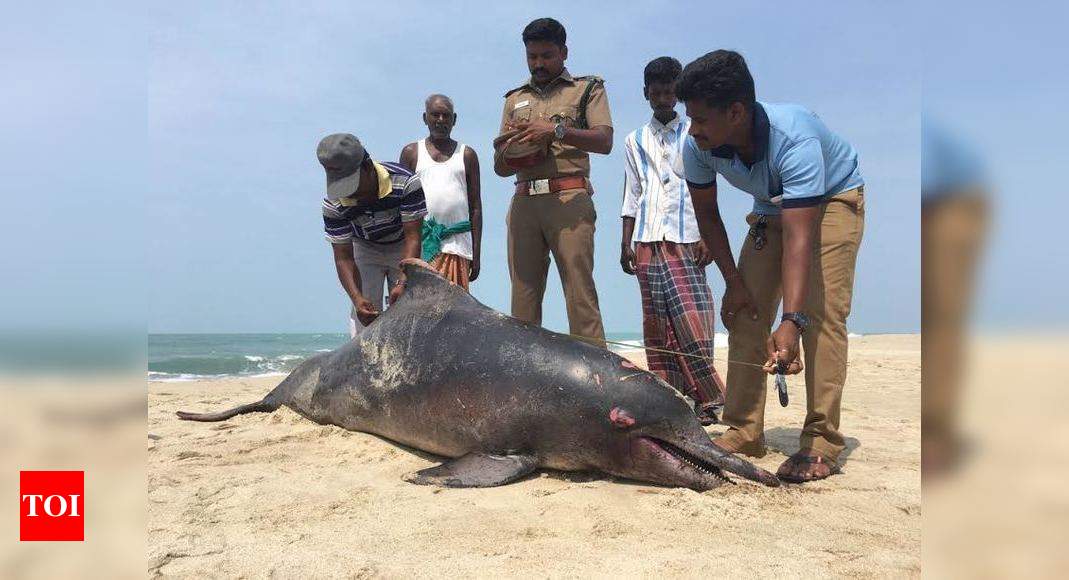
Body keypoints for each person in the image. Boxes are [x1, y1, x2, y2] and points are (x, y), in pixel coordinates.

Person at [676, 50, 866, 483]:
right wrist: (734, 283)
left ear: (737, 112)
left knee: (821, 315)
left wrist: (793, 321)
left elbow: (800, 237)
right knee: (745, 308)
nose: (693, 129)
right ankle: (743, 429)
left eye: (702, 119)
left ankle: (821, 441)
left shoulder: (795, 139)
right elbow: (708, 215)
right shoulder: (697, 146)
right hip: (771, 205)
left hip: (833, 198)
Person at [493, 17, 613, 346]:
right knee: (522, 300)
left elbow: (604, 141)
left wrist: (556, 130)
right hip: (523, 204)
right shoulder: (513, 98)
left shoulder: (587, 88)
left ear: (563, 52)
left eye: (546, 55)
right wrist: (518, 150)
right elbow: (499, 167)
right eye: (532, 57)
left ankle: (596, 383)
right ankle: (523, 381)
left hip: (569, 202)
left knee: (579, 296)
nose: (538, 64)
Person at [620, 57, 727, 425]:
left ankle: (710, 400)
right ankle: (675, 398)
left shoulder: (695, 134)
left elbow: (708, 188)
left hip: (687, 235)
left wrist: (707, 236)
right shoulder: (633, 140)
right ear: (646, 93)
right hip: (648, 237)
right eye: (657, 92)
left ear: (678, 94)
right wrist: (626, 241)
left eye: (670, 92)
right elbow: (632, 193)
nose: (663, 98)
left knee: (692, 318)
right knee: (658, 323)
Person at [317, 133, 426, 338]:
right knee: (363, 317)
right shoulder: (334, 204)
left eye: (352, 186)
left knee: (408, 310)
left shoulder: (405, 182)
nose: (351, 195)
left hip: (402, 244)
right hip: (364, 247)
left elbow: (413, 238)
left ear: (367, 166)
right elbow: (343, 258)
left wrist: (403, 281)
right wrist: (357, 299)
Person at [399, 94, 482, 290]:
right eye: (435, 115)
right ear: (425, 118)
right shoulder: (411, 153)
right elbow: (400, 206)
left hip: (457, 247)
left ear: (454, 119)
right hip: (421, 246)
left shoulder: (467, 155)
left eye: (446, 115)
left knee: (455, 313)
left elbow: (476, 208)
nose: (441, 120)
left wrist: (476, 254)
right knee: (421, 309)